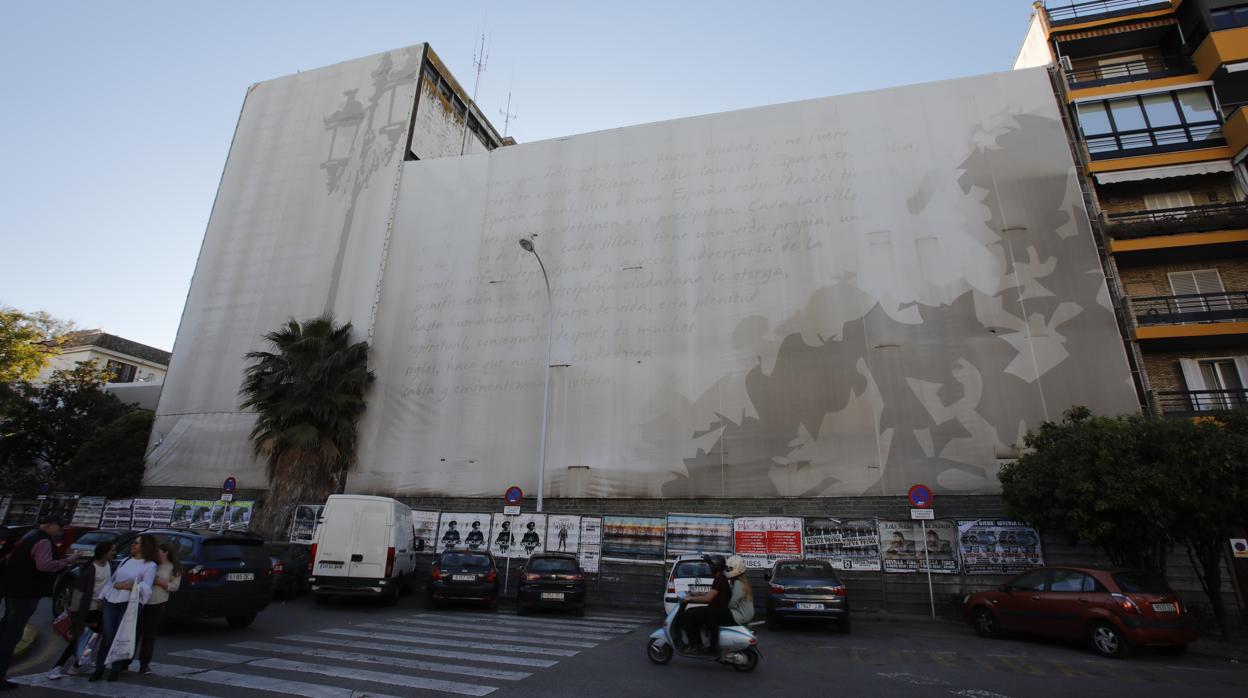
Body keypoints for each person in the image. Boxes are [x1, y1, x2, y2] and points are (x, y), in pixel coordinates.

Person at [0, 516, 82, 691]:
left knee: (6, 629)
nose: (60, 531)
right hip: (26, 592)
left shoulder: (28, 537)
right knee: (11, 635)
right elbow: (44, 565)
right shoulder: (43, 541)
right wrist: (69, 560)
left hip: (12, 590)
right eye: (59, 527)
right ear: (50, 525)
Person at [92, 535, 158, 682]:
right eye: (134, 542)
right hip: (112, 599)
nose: (133, 545)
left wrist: (129, 586)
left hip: (129, 603)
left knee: (120, 636)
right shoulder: (126, 560)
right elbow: (113, 579)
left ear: (144, 546)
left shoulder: (150, 565)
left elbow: (146, 587)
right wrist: (103, 597)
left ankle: (115, 669)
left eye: (136, 543)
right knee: (108, 635)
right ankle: (99, 668)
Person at [47, 541, 116, 680]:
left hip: (99, 609)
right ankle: (57, 667)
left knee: (91, 638)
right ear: (104, 552)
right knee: (80, 639)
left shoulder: (108, 565)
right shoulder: (91, 568)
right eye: (112, 551)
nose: (114, 553)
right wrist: (75, 611)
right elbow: (79, 591)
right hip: (87, 609)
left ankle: (77, 666)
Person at [132, 542, 181, 674]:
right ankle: (124, 661)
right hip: (141, 601)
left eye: (158, 551)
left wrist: (160, 582)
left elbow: (175, 586)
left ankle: (144, 663)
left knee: (149, 634)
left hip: (157, 602)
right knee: (133, 632)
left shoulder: (173, 568)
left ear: (165, 552)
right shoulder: (150, 564)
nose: (156, 554)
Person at [678, 555, 732, 655]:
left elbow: (708, 598)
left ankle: (694, 645)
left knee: (686, 616)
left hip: (715, 612)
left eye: (710, 565)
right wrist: (696, 594)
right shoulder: (721, 578)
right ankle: (698, 644)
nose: (709, 568)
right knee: (691, 613)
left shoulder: (719, 579)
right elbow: (712, 594)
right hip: (717, 611)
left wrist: (691, 598)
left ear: (715, 567)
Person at [724, 555, 754, 625]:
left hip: (741, 614)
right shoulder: (743, 582)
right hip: (745, 613)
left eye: (729, 568)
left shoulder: (738, 583)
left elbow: (732, 603)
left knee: (717, 616)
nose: (728, 570)